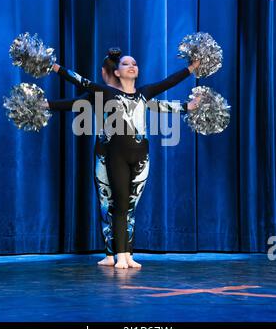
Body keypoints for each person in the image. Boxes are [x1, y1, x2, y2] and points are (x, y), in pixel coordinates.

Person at [50, 50, 200, 268]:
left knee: (130, 205)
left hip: (141, 156)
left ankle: (128, 253)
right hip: (115, 155)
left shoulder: (144, 94)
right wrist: (55, 67)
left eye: (134, 63)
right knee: (117, 203)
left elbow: (168, 83)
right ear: (117, 72)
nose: (131, 66)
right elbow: (79, 81)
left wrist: (192, 68)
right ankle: (118, 254)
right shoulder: (106, 92)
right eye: (125, 64)